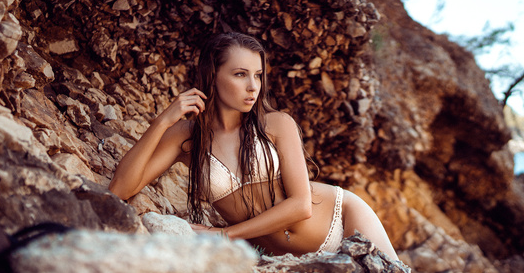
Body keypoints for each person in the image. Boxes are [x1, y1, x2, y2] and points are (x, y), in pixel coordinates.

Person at [109, 32, 398, 260]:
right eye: (240, 74)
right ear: (212, 75)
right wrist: (162, 123)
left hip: (343, 219)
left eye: (257, 75)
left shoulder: (276, 124)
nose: (253, 86)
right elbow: (120, 190)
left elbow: (300, 206)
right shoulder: (186, 137)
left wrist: (224, 235)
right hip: (290, 260)